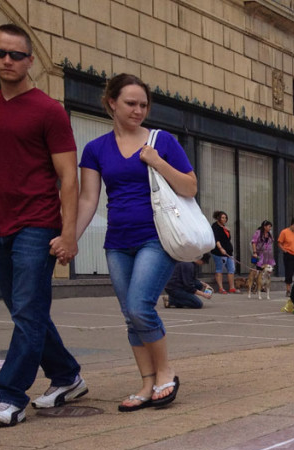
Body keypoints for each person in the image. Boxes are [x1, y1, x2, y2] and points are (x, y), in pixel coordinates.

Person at [0, 24, 87, 426]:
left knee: (28, 312)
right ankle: (67, 375)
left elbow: (68, 176)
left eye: (17, 55)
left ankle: (9, 396)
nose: (7, 61)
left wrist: (68, 233)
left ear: (31, 59)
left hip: (37, 224)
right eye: (0, 53)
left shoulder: (49, 110)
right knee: (25, 312)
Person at [77, 73, 196, 412]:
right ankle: (147, 383)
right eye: (131, 103)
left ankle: (165, 372)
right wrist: (69, 237)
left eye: (143, 104)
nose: (138, 110)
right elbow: (88, 199)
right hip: (117, 241)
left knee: (140, 306)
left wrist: (158, 162)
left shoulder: (162, 141)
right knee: (130, 315)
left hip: (155, 238)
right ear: (111, 102)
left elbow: (190, 187)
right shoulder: (95, 149)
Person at [277, 217, 294, 295]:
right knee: (289, 272)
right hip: (289, 254)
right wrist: (284, 250)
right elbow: (279, 242)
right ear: (291, 224)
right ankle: (288, 290)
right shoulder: (284, 232)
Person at [248, 219, 276, 296]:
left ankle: (264, 285)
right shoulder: (258, 233)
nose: (270, 228)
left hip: (268, 254)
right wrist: (254, 252)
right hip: (260, 253)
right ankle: (256, 284)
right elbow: (254, 242)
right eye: (269, 226)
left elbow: (271, 242)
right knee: (259, 270)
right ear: (264, 226)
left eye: (270, 227)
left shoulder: (270, 234)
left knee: (268, 269)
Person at [210, 211, 236, 293]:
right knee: (219, 269)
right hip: (219, 252)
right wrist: (220, 248)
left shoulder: (224, 227)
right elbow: (216, 239)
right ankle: (221, 288)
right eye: (222, 217)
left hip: (228, 252)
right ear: (218, 218)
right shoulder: (215, 226)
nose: (224, 219)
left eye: (225, 218)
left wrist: (228, 231)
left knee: (231, 269)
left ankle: (232, 287)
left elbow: (227, 239)